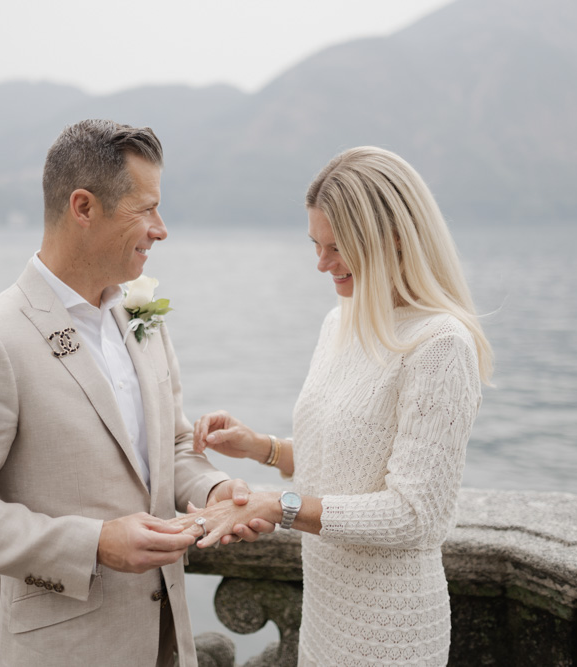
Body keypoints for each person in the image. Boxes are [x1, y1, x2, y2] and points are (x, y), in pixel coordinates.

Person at [0, 119, 258, 667]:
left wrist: (214, 491)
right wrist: (93, 543)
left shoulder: (142, 312)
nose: (161, 229)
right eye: (146, 209)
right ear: (84, 207)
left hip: (168, 644)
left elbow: (173, 446)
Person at [174, 146, 493, 666]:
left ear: (393, 238)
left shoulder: (440, 344)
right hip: (326, 611)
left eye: (336, 247)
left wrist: (277, 507)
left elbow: (415, 513)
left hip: (392, 628)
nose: (320, 264)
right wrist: (262, 447)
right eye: (315, 245)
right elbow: (349, 459)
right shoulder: (339, 323)